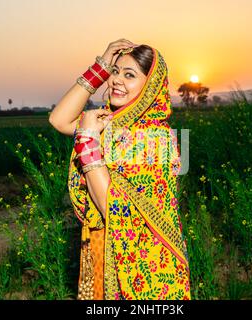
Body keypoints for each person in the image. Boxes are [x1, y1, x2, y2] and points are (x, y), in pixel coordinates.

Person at [49, 39, 190, 300]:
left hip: (140, 260)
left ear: (150, 87)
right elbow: (59, 119)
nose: (116, 80)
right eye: (115, 72)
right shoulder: (108, 121)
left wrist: (89, 139)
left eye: (129, 75)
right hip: (102, 245)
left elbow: (110, 206)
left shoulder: (155, 137)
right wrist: (101, 65)